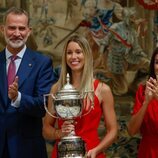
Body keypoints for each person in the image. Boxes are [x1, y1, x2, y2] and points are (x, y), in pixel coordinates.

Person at [43, 34, 118, 158]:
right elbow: (46, 129)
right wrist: (59, 133)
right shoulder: (56, 88)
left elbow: (113, 130)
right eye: (69, 53)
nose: (73, 57)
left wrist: (96, 150)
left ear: (87, 55)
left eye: (78, 52)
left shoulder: (102, 89)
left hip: (91, 153)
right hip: (62, 153)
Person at [0, 7, 56, 158]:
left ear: (29, 31)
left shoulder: (42, 63)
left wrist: (18, 98)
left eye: (21, 28)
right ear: (2, 29)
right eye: (12, 28)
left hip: (27, 149)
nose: (17, 33)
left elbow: (42, 106)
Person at [127, 48, 158, 157]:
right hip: (147, 151)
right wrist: (146, 102)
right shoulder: (142, 90)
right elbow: (131, 130)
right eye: (157, 62)